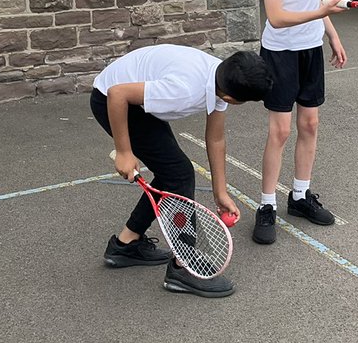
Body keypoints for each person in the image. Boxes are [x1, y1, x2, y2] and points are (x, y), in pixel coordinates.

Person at [91, 45, 273, 298]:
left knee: (172, 173)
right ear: (232, 98)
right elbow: (117, 93)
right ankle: (183, 268)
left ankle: (125, 245)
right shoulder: (185, 90)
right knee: (179, 174)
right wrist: (124, 151)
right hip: (113, 100)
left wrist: (220, 192)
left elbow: (216, 138)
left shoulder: (222, 76)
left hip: (134, 97)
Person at [253, 0, 347, 246]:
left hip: (310, 47)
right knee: (281, 130)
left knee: (309, 125)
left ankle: (300, 196)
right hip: (281, 51)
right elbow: (275, 17)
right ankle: (266, 206)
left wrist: (332, 34)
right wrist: (322, 13)